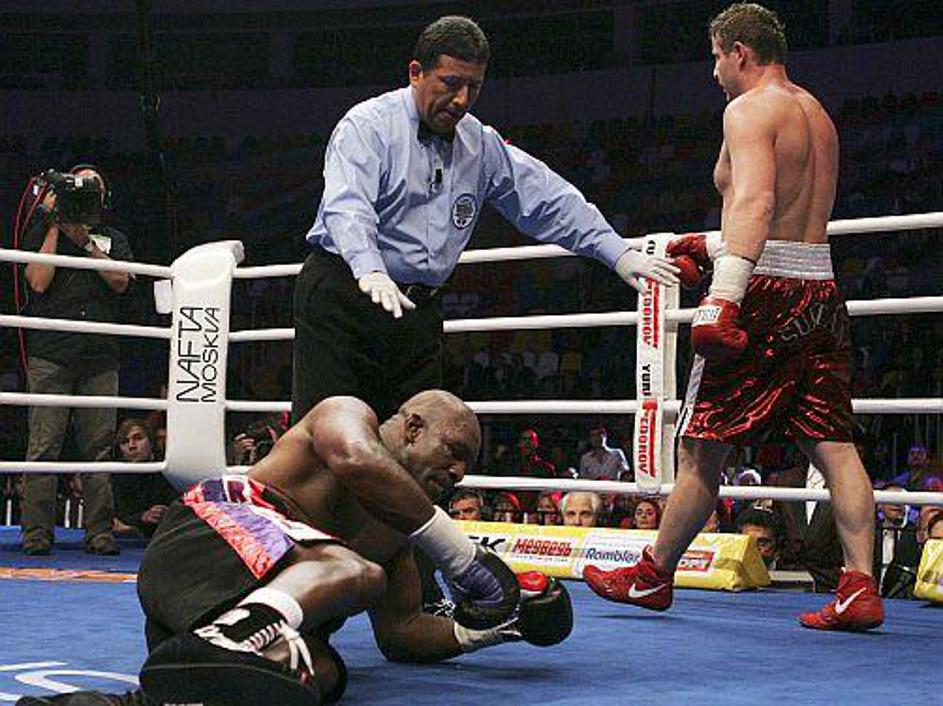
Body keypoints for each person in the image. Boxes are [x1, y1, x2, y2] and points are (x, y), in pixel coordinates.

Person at [583, 3, 885, 631]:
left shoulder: (748, 109)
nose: (714, 71)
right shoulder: (816, 113)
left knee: (701, 444)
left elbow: (756, 201)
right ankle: (860, 586)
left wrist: (724, 292)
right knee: (833, 442)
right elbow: (788, 224)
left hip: (762, 292)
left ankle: (652, 576)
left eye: (716, 57)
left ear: (739, 52)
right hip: (819, 288)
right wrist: (712, 246)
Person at [291, 15, 678, 425]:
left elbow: (546, 198)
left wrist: (616, 251)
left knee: (414, 441)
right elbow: (347, 206)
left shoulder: (479, 143)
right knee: (327, 437)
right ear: (416, 73)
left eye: (473, 87)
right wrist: (369, 268)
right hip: (346, 295)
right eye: (450, 83)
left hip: (418, 313)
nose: (461, 99)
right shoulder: (367, 126)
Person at [124, 390, 571, 706]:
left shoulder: (396, 535)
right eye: (453, 451)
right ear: (413, 427)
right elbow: (358, 460)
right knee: (357, 571)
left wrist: (499, 629)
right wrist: (461, 556)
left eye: (466, 466)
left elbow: (402, 632)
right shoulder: (346, 413)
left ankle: (164, 694)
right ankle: (230, 638)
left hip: (194, 617)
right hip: (203, 543)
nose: (457, 472)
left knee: (321, 674)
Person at [19, 164, 133, 557]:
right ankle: (36, 534)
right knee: (43, 446)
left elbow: (121, 282)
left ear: (104, 197)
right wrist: (54, 224)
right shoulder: (42, 233)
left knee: (99, 449)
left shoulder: (113, 238)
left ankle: (100, 533)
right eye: (77, 187)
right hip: (52, 353)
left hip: (99, 356)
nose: (85, 194)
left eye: (92, 188)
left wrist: (85, 243)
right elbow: (38, 282)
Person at [111, 418, 177, 540]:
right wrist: (142, 517)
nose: (132, 446)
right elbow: (115, 515)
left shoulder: (169, 471)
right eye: (125, 442)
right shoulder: (115, 475)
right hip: (127, 536)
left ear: (151, 442)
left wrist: (169, 512)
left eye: (138, 438)